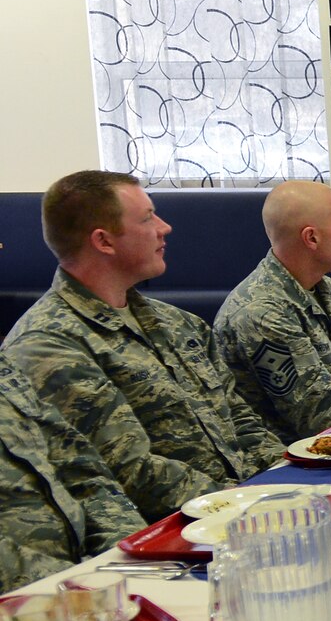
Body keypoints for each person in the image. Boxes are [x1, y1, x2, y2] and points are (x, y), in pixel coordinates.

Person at [3, 170, 283, 520]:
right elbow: (129, 471)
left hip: (244, 505)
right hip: (175, 531)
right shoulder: (49, 346)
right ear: (104, 242)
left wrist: (286, 480)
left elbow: (240, 419)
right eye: (149, 217)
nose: (165, 227)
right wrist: (249, 502)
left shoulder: (179, 324)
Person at [214, 180, 331, 442]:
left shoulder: (323, 289)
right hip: (299, 460)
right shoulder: (262, 313)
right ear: (311, 238)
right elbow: (322, 418)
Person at [0, 362, 145, 592]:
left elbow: (81, 470)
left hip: (93, 579)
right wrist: (78, 588)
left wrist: (130, 552)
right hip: (30, 602)